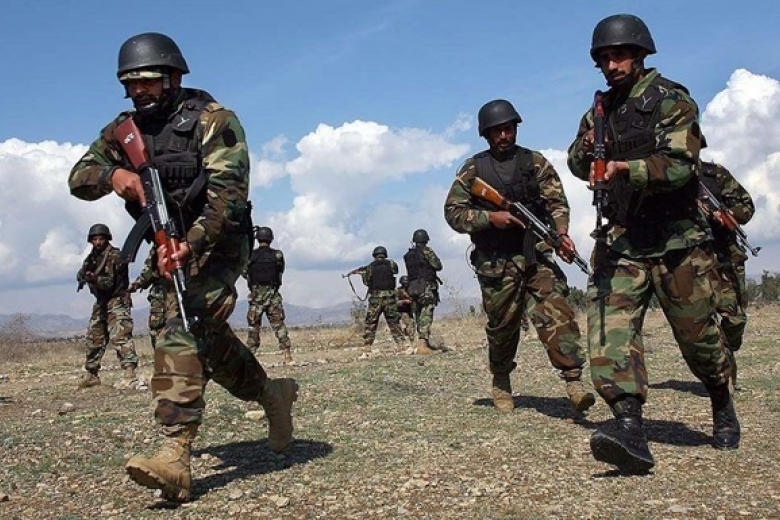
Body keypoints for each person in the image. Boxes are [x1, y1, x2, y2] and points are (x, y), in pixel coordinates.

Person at [68, 32, 298, 502]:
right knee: (201, 338)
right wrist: (115, 175)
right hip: (165, 243)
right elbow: (78, 178)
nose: (139, 91)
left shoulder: (215, 120)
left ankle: (175, 455)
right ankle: (270, 393)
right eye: (130, 84)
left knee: (181, 329)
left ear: (173, 77)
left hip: (219, 244)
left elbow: (228, 199)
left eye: (148, 81)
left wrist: (189, 245)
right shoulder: (124, 130)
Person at [567, 14, 739, 473]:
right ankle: (629, 428)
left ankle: (720, 398)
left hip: (677, 240)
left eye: (619, 55)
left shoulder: (671, 100)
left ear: (640, 55)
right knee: (610, 333)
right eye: (604, 58)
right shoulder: (599, 111)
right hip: (622, 239)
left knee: (698, 339)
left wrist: (627, 168)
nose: (611, 65)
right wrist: (588, 147)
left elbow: (681, 165)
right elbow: (576, 163)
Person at [444, 99, 596, 416]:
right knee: (502, 327)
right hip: (495, 262)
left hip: (535, 255)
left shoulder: (534, 163)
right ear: (486, 134)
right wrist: (491, 218)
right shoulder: (474, 170)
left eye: (508, 129)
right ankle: (501, 381)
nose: (504, 136)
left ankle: (573, 381)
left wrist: (561, 233)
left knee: (557, 313)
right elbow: (453, 213)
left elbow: (556, 202)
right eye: (497, 131)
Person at [699, 161, 756, 390]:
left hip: (725, 257)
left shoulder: (714, 174)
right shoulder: (665, 176)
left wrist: (726, 215)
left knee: (735, 319)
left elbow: (747, 206)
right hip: (693, 259)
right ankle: (721, 378)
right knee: (702, 322)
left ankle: (727, 353)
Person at [76, 223, 138, 389]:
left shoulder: (114, 256)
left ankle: (129, 373)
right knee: (94, 337)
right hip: (102, 301)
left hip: (117, 299)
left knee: (120, 336)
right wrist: (83, 276)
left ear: (107, 239)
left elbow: (108, 283)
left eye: (100, 239)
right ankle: (92, 374)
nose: (97, 242)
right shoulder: (92, 257)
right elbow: (82, 272)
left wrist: (94, 279)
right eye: (94, 239)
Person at [243, 226, 293, 364]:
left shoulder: (250, 256)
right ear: (271, 239)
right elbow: (280, 270)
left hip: (256, 296)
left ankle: (251, 357)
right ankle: (287, 355)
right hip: (272, 294)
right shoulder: (277, 255)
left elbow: (244, 272)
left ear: (257, 239)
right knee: (279, 325)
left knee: (253, 327)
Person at [359, 246, 408, 356]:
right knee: (394, 322)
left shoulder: (370, 267)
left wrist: (363, 274)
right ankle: (402, 345)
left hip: (376, 299)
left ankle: (367, 347)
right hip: (389, 298)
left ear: (374, 255)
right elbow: (395, 271)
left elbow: (367, 282)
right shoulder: (391, 264)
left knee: (371, 322)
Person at [403, 229, 443, 355]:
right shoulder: (427, 251)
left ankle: (423, 342)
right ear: (426, 240)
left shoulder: (408, 255)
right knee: (426, 313)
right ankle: (422, 345)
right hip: (426, 286)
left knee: (418, 314)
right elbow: (438, 266)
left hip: (412, 288)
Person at [128, 250, 165, 349]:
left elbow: (147, 273)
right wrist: (138, 283)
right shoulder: (158, 248)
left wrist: (140, 282)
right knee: (157, 328)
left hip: (171, 292)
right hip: (161, 294)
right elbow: (148, 272)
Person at [396, 275, 416, 344]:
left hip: (410, 310)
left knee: (413, 324)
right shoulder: (398, 291)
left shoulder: (411, 290)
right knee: (409, 325)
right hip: (402, 311)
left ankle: (407, 335)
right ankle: (411, 341)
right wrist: (404, 301)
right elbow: (395, 302)